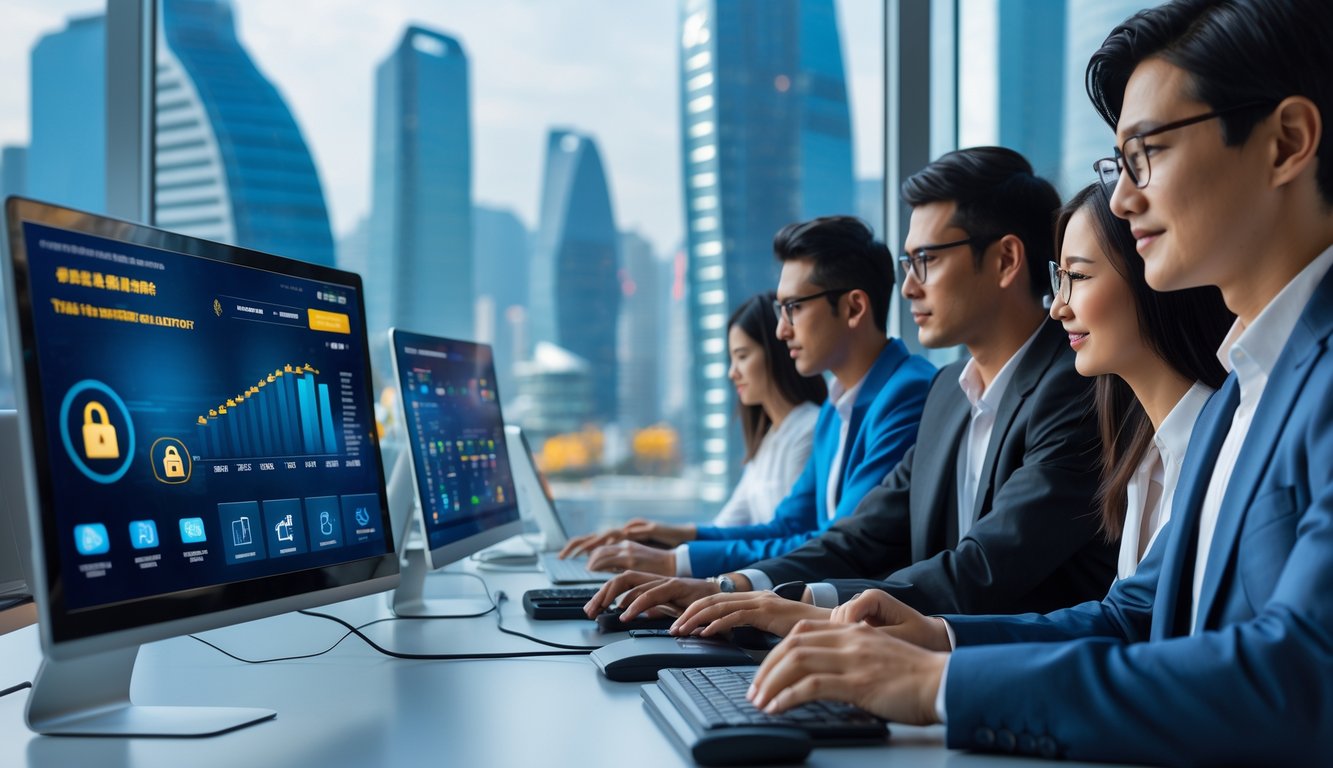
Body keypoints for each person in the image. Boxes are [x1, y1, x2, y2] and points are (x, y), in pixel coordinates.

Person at [744, 1, 1333, 763]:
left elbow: (1300, 676)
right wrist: (935, 640)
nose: (1122, 198)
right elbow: (1134, 614)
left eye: (1144, 152)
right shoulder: (1239, 390)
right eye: (1115, 165)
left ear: (1284, 142)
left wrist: (939, 689)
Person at [586, 147, 1117, 624]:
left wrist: (789, 603)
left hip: (1009, 686)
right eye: (909, 263)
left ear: (1004, 260)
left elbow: (982, 568)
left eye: (926, 261)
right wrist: (728, 586)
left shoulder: (1075, 388)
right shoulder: (947, 396)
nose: (908, 285)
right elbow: (858, 537)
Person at [575, 217, 936, 578]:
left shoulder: (906, 394)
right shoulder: (834, 408)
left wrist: (677, 562)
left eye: (794, 307)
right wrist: (677, 539)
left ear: (854, 308)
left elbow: (841, 545)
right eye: (781, 310)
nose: (781, 329)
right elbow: (785, 527)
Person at [557, 291, 826, 568]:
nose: (732, 372)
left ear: (778, 353)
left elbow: (787, 538)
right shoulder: (770, 438)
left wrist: (672, 559)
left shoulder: (809, 429)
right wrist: (650, 541)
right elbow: (727, 527)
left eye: (742, 356)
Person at [1051, 181, 1231, 578]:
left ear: (1152, 271)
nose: (1058, 308)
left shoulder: (1228, 445)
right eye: (1059, 277)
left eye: (1078, 276)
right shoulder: (1144, 457)